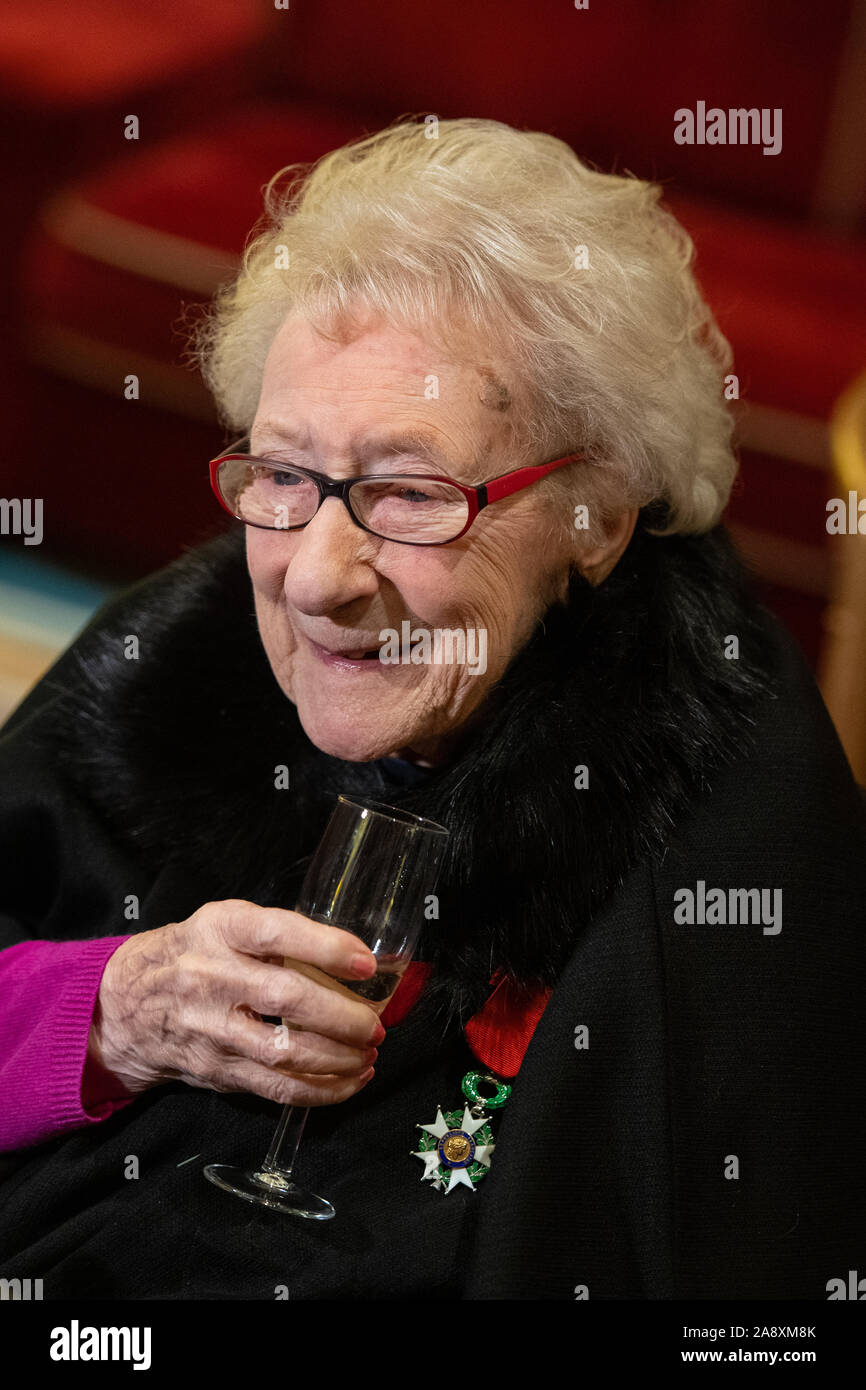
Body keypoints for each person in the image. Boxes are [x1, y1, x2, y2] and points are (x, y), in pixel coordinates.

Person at [1, 117, 864, 1301]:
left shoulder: (717, 859)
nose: (314, 575)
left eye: (410, 494)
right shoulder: (170, 664)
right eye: (286, 475)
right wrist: (111, 1011)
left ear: (596, 516)